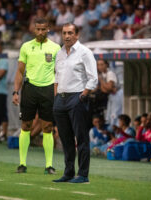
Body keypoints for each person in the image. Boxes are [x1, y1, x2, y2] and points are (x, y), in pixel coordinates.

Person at [12, 18, 61, 174]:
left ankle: (49, 165)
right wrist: (15, 91)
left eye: (43, 29)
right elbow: (20, 71)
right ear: (34, 30)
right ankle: (22, 164)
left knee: (47, 127)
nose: (40, 32)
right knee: (26, 126)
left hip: (47, 90)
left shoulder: (55, 48)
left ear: (48, 29)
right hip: (30, 89)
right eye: (38, 29)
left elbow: (59, 72)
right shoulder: (26, 46)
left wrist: (58, 91)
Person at [53, 23, 98, 184]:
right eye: (64, 33)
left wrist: (84, 95)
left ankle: (83, 175)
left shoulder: (85, 52)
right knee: (65, 140)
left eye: (70, 33)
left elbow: (93, 77)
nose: (67, 36)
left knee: (81, 138)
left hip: (77, 97)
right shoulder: (59, 53)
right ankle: (69, 172)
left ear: (77, 35)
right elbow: (56, 77)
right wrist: (56, 95)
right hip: (61, 99)